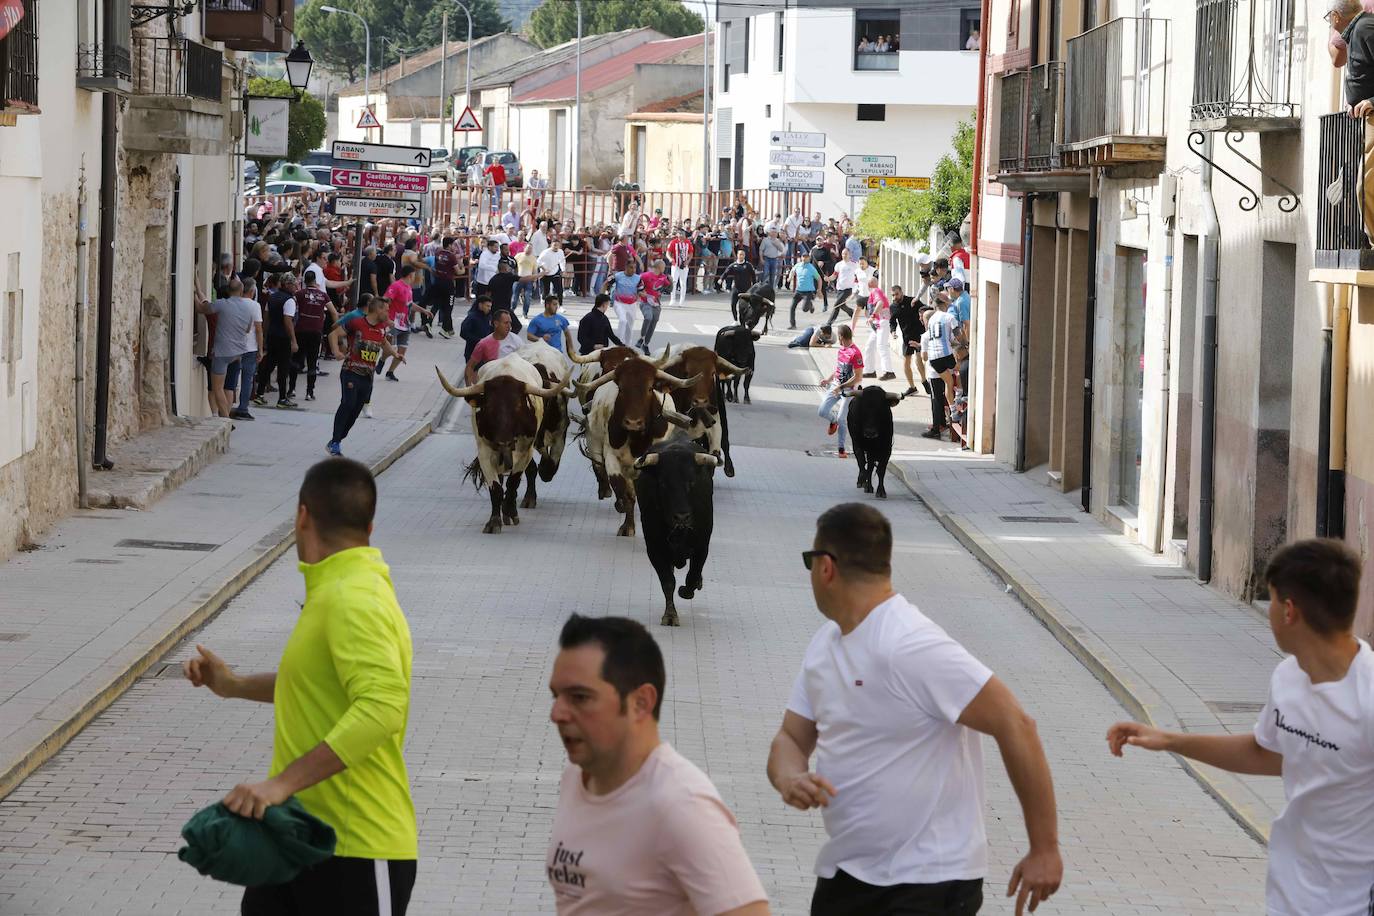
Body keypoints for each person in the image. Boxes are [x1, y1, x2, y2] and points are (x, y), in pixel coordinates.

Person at [770, 504, 1062, 916]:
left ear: (825, 568)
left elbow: (1015, 723)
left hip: (927, 882)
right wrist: (789, 777)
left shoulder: (910, 644)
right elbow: (791, 737)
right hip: (848, 875)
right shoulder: (825, 644)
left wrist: (1044, 848)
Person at [186, 458, 418, 915]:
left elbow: (382, 705)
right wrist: (231, 684)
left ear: (302, 516)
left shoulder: (354, 597)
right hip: (297, 841)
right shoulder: (334, 589)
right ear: (370, 525)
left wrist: (279, 785)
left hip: (356, 848)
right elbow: (313, 687)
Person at [1109, 539, 1374, 916]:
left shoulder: (1369, 697)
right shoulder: (1287, 676)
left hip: (1353, 902)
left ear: (1288, 611)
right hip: (1288, 895)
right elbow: (1265, 753)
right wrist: (1169, 739)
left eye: (1271, 600)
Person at [546, 614, 770, 915]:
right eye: (556, 696)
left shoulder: (681, 805)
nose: (557, 713)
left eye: (580, 697)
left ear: (641, 703)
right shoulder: (576, 780)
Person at [325, 295, 404, 456]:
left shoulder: (382, 327)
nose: (388, 314)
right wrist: (337, 352)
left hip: (368, 376)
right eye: (387, 310)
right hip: (351, 371)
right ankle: (335, 442)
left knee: (355, 412)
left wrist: (395, 355)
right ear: (378, 309)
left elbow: (383, 342)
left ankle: (338, 438)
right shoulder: (356, 322)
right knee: (348, 404)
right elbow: (333, 334)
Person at [194, 275, 261, 419]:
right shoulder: (250, 307)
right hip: (238, 352)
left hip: (222, 352)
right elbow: (248, 329)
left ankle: (224, 419)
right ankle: (226, 415)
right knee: (230, 387)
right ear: (242, 290)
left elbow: (200, 308)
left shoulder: (221, 304)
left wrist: (193, 292)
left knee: (217, 388)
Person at [254, 273, 301, 409]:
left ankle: (260, 394)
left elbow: (266, 317)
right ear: (287, 285)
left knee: (268, 366)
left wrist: (264, 334)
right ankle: (282, 398)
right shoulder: (290, 300)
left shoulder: (272, 297)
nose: (296, 287)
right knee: (283, 368)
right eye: (294, 284)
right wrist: (293, 340)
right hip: (283, 338)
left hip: (272, 336)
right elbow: (288, 321)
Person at [817, 325, 863, 458]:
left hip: (849, 390)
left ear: (841, 336)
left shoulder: (856, 353)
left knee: (842, 419)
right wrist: (828, 380)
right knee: (822, 411)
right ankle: (833, 421)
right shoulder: (841, 350)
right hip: (836, 385)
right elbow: (838, 369)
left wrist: (841, 387)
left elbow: (858, 377)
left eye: (838, 335)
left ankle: (841, 448)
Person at [292, 273, 338, 401]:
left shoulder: (299, 294)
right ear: (315, 281)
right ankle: (309, 392)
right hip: (316, 331)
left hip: (300, 330)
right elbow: (333, 312)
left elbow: (292, 309)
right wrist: (335, 328)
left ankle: (291, 390)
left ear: (305, 281)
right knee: (312, 362)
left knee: (296, 360)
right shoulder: (323, 295)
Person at [382, 266, 430, 382]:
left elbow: (410, 304)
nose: (415, 277)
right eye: (414, 275)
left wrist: (423, 310)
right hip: (394, 322)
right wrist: (386, 318)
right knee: (390, 347)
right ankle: (382, 360)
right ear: (410, 275)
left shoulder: (409, 288)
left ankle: (390, 372)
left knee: (402, 350)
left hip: (405, 324)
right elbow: (385, 300)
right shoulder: (396, 286)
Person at [921, 299, 959, 439]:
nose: (922, 321)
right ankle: (943, 422)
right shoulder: (941, 327)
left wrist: (921, 349)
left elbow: (924, 357)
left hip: (933, 370)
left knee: (936, 399)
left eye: (923, 319)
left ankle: (937, 426)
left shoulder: (925, 336)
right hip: (944, 366)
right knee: (944, 393)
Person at [890, 283, 929, 397]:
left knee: (918, 358)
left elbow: (924, 309)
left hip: (919, 333)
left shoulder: (913, 301)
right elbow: (892, 321)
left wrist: (925, 322)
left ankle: (924, 381)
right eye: (893, 295)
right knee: (906, 362)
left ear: (901, 292)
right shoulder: (893, 307)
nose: (895, 297)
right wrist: (893, 332)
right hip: (907, 336)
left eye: (896, 294)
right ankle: (912, 387)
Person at [465, 309, 523, 383]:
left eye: (510, 323)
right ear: (496, 324)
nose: (509, 326)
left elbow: (525, 364)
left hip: (514, 383)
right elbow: (470, 367)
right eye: (506, 323)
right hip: (491, 384)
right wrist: (469, 388)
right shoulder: (484, 343)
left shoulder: (517, 341)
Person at [860, 276, 894, 381]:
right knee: (869, 346)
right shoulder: (875, 292)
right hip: (877, 325)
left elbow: (880, 303)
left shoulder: (875, 291)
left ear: (869, 284)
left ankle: (889, 371)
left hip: (882, 322)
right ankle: (870, 371)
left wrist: (872, 316)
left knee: (881, 346)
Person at [637, 258, 671, 355]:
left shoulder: (663, 277)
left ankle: (646, 344)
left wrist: (671, 282)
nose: (664, 268)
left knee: (653, 324)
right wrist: (639, 293)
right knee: (648, 317)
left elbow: (669, 290)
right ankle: (641, 338)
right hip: (646, 302)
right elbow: (637, 284)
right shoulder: (645, 275)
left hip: (656, 304)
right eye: (664, 266)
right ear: (660, 267)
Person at [822, 250, 859, 330]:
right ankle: (851, 313)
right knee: (841, 305)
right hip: (840, 288)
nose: (844, 255)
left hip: (849, 288)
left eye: (846, 254)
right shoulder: (839, 265)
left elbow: (858, 277)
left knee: (836, 305)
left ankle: (829, 323)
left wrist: (856, 288)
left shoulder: (855, 265)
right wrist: (828, 278)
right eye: (843, 254)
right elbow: (834, 275)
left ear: (850, 254)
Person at [608, 266, 642, 346]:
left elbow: (641, 289)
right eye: (631, 267)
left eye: (634, 268)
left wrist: (640, 294)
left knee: (629, 326)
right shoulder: (618, 276)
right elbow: (608, 283)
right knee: (623, 320)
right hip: (619, 303)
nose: (633, 270)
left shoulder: (637, 278)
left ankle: (627, 345)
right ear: (626, 268)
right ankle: (619, 344)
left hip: (632, 304)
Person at [788, 252, 822, 329]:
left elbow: (819, 279)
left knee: (805, 309)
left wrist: (819, 290)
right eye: (803, 257)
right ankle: (792, 325)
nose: (804, 258)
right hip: (798, 290)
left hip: (808, 292)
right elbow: (792, 271)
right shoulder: (797, 265)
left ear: (809, 259)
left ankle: (810, 305)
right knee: (792, 307)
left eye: (806, 257)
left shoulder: (811, 268)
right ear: (801, 257)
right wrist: (790, 278)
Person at [722, 250, 758, 321]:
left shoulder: (748, 265)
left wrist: (754, 286)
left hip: (746, 289)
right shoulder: (733, 265)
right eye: (740, 254)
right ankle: (735, 320)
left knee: (744, 307)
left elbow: (753, 275)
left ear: (744, 256)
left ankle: (744, 320)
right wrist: (721, 279)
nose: (741, 256)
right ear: (737, 255)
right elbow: (726, 273)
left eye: (742, 255)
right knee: (733, 305)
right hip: (736, 289)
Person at [460, 295, 495, 362]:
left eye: (490, 306)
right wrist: (479, 341)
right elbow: (463, 333)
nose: (489, 308)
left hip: (485, 353)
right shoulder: (472, 317)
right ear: (480, 305)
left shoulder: (489, 317)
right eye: (487, 306)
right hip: (472, 353)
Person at [665, 229, 693, 306]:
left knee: (683, 283)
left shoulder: (688, 242)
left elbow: (691, 253)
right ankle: (672, 299)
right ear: (677, 234)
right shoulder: (673, 242)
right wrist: (670, 259)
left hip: (684, 265)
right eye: (679, 233)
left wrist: (688, 261)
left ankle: (682, 301)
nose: (681, 235)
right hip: (675, 265)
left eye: (682, 234)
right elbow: (668, 253)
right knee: (674, 282)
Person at [537, 238, 567, 306]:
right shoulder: (545, 252)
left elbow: (562, 261)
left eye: (557, 245)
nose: (556, 247)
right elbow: (538, 262)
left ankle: (560, 305)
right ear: (551, 245)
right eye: (554, 245)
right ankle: (543, 297)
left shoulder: (560, 251)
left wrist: (563, 270)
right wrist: (544, 269)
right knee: (546, 291)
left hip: (555, 272)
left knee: (559, 290)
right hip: (545, 273)